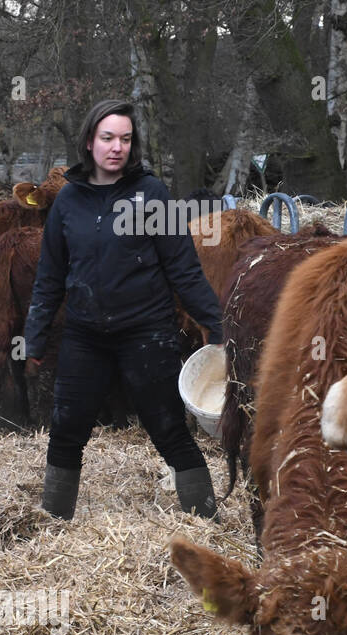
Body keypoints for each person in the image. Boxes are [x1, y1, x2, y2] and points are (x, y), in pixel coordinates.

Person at [22, 99, 223, 520]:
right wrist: (35, 337)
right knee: (66, 428)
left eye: (126, 139)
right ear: (90, 141)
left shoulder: (151, 195)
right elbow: (50, 276)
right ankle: (53, 521)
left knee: (168, 427)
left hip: (146, 333)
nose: (117, 147)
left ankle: (206, 520)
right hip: (84, 335)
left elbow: (183, 270)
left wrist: (218, 326)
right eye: (108, 137)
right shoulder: (68, 201)